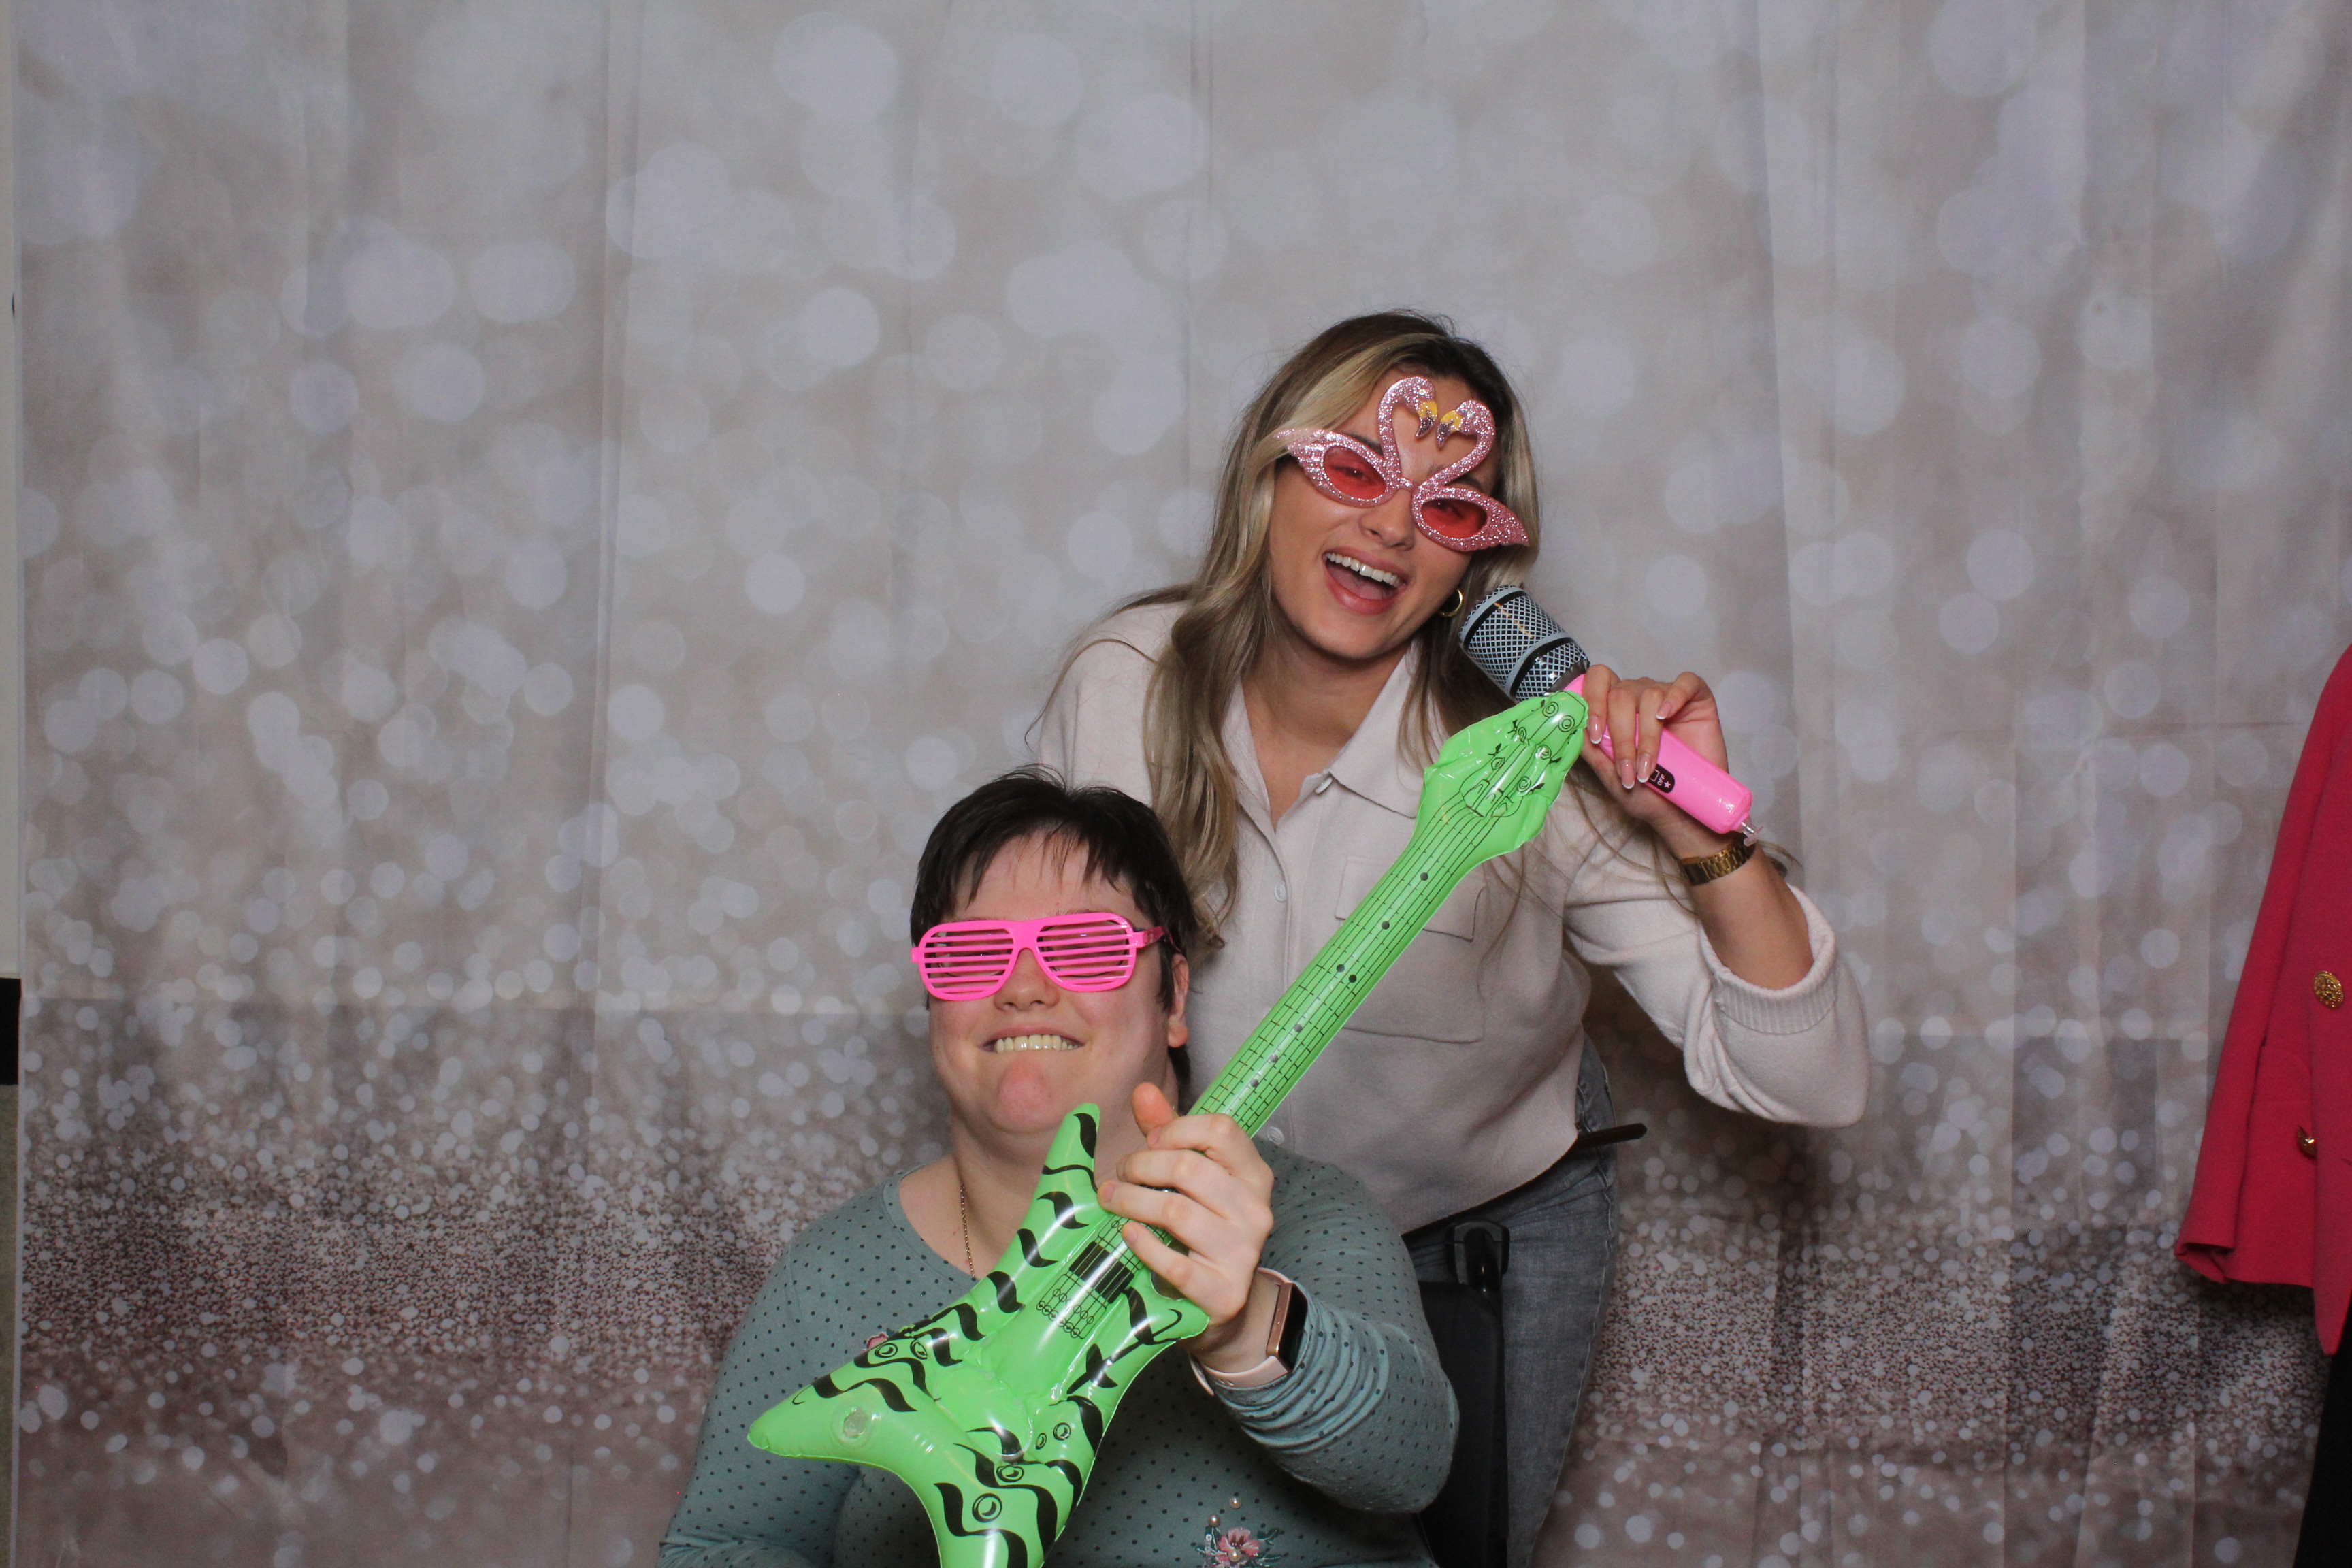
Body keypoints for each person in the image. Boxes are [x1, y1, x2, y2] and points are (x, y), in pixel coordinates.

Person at [1036, 311, 1869, 1565]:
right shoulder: (1123, 680)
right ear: (1268, 476)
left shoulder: (1537, 770)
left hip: (1475, 1244)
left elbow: (1814, 1080)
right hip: (1192, 1232)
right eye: (1352, 468)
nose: (1388, 526)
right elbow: (1049, 986)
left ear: (1480, 560)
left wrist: (1701, 832)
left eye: (1447, 505)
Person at [662, 770, 1458, 1567]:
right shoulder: (833, 1274)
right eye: (972, 954)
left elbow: (1413, 1466)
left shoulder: (1315, 1212)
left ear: (1174, 998)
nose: (1024, 988)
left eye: (1086, 947)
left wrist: (1244, 1325)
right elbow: (716, 1548)